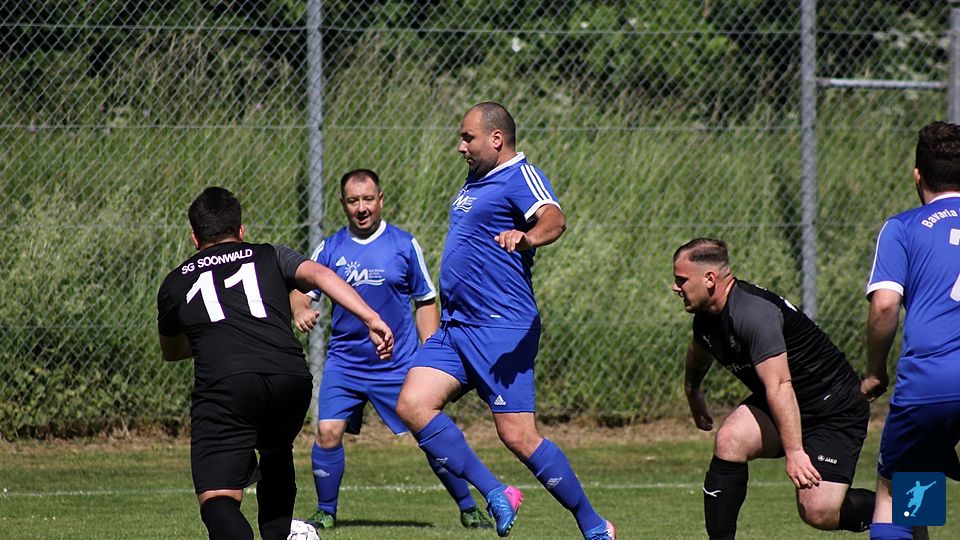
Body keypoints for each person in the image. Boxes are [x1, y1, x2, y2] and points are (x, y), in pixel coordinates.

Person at [394, 102, 616, 540]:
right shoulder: (476, 180)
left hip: (501, 327)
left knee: (518, 436)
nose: (461, 147)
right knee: (413, 406)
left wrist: (527, 237)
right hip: (458, 327)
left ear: (497, 139)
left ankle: (594, 525)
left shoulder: (520, 175)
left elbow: (554, 218)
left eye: (468, 138)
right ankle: (497, 492)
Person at [156, 187, 393, 540]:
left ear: (194, 238)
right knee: (276, 450)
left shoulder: (175, 282)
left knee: (218, 499)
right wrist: (371, 318)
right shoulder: (269, 254)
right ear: (241, 230)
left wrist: (215, 335)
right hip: (290, 377)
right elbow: (320, 275)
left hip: (227, 384)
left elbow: (173, 351)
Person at [290, 168, 491, 530]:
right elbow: (301, 288)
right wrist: (300, 308)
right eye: (353, 201)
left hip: (398, 365)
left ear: (381, 200)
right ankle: (326, 512)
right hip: (345, 364)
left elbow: (425, 300)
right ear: (343, 204)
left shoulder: (404, 245)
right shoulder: (330, 248)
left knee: (429, 433)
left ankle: (468, 505)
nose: (362, 208)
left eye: (368, 199)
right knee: (327, 432)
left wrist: (430, 351)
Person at [672, 237, 875, 539]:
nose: (675, 287)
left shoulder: (753, 313)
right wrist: (692, 390)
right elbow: (699, 352)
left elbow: (779, 384)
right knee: (730, 439)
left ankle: (908, 510)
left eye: (681, 280)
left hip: (832, 408)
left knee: (818, 511)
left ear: (710, 279)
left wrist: (795, 451)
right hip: (788, 403)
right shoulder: (706, 319)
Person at [862, 120, 960, 540]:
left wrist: (874, 370)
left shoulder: (902, 227)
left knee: (900, 491)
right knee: (919, 483)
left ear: (918, 176)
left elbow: (885, 305)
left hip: (931, 381)